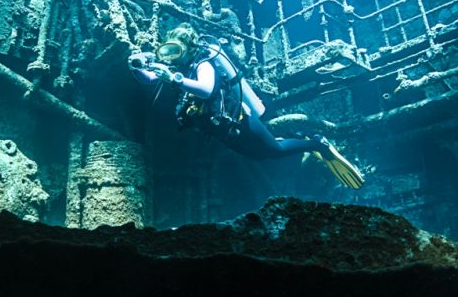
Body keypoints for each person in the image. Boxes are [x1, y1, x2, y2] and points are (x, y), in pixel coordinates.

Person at [128, 23, 365, 189]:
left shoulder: (203, 64)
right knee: (260, 156)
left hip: (240, 120)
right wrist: (137, 67)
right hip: (223, 131)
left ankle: (317, 143)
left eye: (176, 51)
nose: (171, 56)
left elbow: (207, 89)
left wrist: (174, 79)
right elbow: (149, 80)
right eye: (168, 50)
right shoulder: (179, 70)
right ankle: (300, 136)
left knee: (275, 151)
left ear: (189, 49)